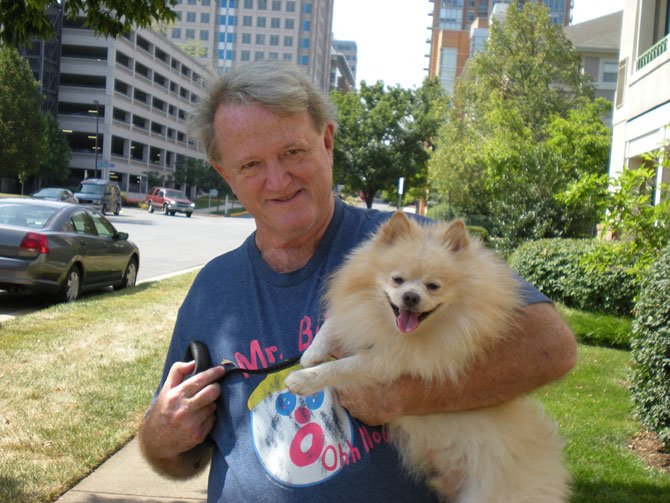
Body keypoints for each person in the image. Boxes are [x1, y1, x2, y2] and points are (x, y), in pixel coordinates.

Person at [138, 60, 577, 502]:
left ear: (327, 142)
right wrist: (160, 436)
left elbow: (550, 348)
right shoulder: (213, 289)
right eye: (251, 164)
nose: (278, 179)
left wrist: (402, 396)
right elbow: (179, 460)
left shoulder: (415, 248)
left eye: (293, 152)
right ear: (225, 174)